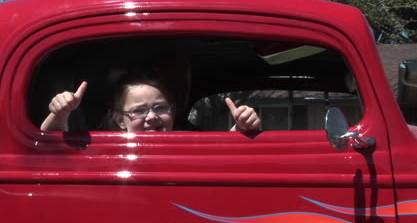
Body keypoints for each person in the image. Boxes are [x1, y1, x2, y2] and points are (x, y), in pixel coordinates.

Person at [40, 76, 262, 132]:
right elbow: (52, 140)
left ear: (173, 112)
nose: (152, 117)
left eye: (160, 108)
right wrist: (60, 113)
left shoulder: (183, 144)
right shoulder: (107, 149)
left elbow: (219, 157)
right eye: (138, 111)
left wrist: (241, 127)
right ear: (119, 120)